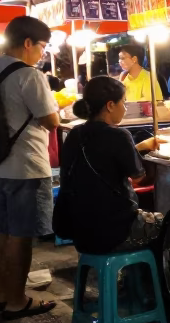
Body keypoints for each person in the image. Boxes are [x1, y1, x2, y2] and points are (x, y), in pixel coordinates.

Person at [0, 16, 60, 319]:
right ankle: (18, 300)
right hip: (25, 167)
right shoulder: (29, 75)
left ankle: (0, 296)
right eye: (42, 46)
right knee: (21, 236)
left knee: (2, 231)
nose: (42, 53)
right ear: (27, 43)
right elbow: (51, 120)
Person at [54, 76, 162, 254]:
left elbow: (102, 158)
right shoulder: (119, 135)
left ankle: (131, 277)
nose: (125, 108)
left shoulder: (75, 134)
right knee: (168, 224)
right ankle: (141, 279)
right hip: (115, 233)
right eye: (123, 103)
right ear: (110, 105)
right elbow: (138, 176)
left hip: (80, 233)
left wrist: (140, 147)